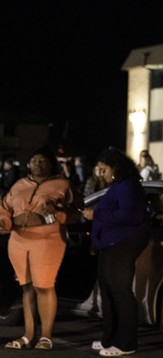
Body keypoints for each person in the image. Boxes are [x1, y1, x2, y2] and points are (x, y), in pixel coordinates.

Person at [0, 147, 78, 351]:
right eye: (34, 161)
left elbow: (76, 212)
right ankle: (28, 335)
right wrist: (4, 221)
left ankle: (46, 336)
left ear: (51, 163)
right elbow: (5, 207)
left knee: (44, 285)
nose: (38, 164)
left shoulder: (62, 185)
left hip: (47, 239)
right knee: (26, 287)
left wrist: (56, 213)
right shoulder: (19, 185)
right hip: (17, 240)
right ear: (28, 164)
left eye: (42, 161)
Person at [82, 147, 151, 357]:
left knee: (121, 292)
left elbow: (128, 215)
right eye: (99, 170)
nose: (101, 174)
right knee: (109, 293)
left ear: (116, 168)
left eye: (104, 170)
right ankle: (109, 339)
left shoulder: (129, 186)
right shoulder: (118, 186)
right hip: (110, 245)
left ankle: (126, 343)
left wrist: (97, 215)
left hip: (123, 244)